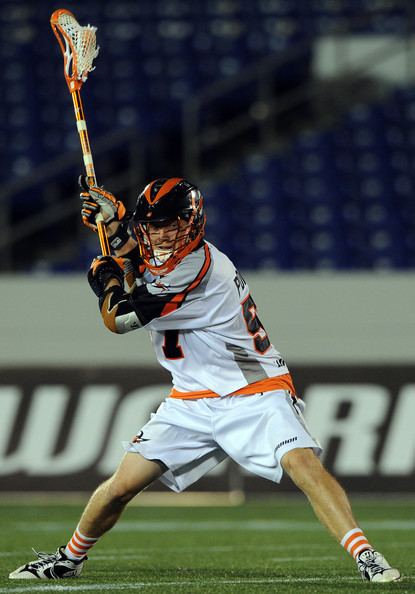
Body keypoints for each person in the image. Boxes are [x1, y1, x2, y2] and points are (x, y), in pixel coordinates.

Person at [9, 178, 400, 583]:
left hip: (253, 388)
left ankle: (365, 554)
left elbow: (118, 317)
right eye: (152, 225)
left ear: (192, 222)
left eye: (168, 224)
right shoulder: (169, 258)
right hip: (191, 398)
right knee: (120, 486)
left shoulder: (198, 267)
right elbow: (138, 256)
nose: (159, 233)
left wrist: (108, 275)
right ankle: (68, 560)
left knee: (301, 464)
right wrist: (117, 226)